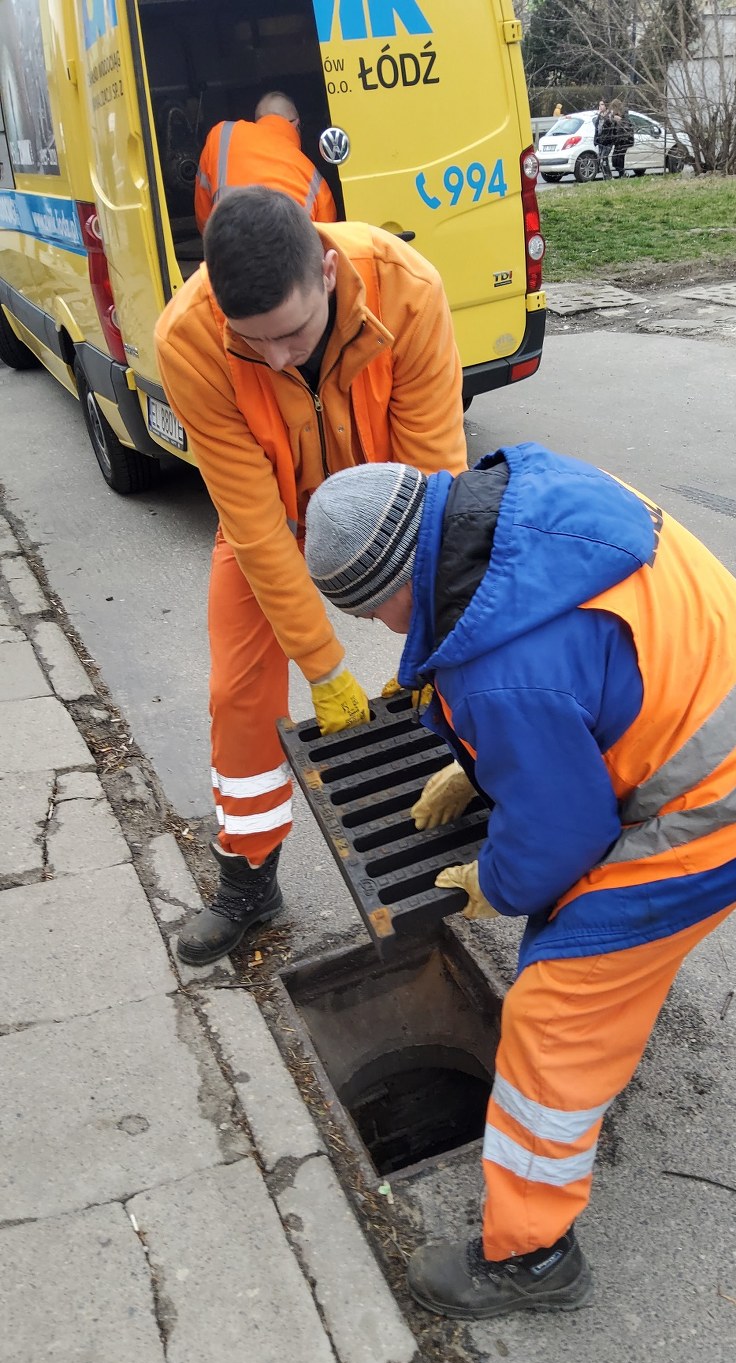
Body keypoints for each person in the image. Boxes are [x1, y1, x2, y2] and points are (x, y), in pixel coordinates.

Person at [303, 443, 736, 1320]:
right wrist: (485, 768)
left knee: (555, 1005)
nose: (380, 629)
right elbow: (586, 675)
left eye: (374, 611)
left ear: (397, 581)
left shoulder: (501, 675)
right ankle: (605, 1045)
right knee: (606, 962)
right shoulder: (531, 495)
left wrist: (496, 880)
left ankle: (528, 1258)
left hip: (735, 799)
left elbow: (561, 836)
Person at [154, 186, 467, 965]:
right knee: (238, 689)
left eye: (291, 334)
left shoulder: (408, 289)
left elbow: (436, 491)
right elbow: (256, 526)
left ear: (328, 272)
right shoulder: (189, 339)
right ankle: (250, 878)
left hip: (382, 500)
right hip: (273, 510)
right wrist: (324, 665)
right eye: (252, 343)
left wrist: (424, 644)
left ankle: (477, 822)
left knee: (466, 644)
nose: (276, 359)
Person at [194, 91, 337, 231]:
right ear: (296, 125)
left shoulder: (222, 135)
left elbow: (204, 221)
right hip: (289, 253)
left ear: (258, 121)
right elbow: (328, 242)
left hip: (230, 250)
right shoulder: (316, 181)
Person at [607, 100, 634, 178]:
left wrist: (619, 120)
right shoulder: (614, 116)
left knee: (620, 157)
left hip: (624, 139)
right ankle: (622, 172)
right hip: (618, 139)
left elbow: (626, 126)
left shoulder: (624, 115)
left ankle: (622, 173)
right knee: (615, 158)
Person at [593, 99, 612, 179]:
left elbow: (610, 126)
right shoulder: (599, 116)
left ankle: (609, 176)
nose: (600, 106)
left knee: (604, 159)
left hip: (607, 141)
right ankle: (606, 177)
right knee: (601, 160)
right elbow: (596, 128)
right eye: (599, 104)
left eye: (602, 104)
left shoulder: (609, 116)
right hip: (601, 141)